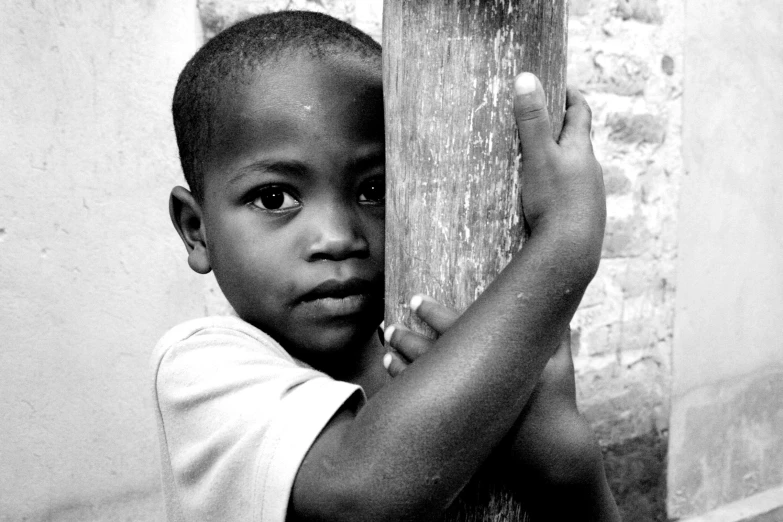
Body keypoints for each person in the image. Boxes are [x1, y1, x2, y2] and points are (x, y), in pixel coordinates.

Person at [152, 10, 620, 522]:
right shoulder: (203, 366)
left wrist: (569, 466)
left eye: (374, 190)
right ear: (197, 230)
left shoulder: (440, 362)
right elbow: (359, 492)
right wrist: (566, 247)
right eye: (274, 197)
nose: (337, 238)